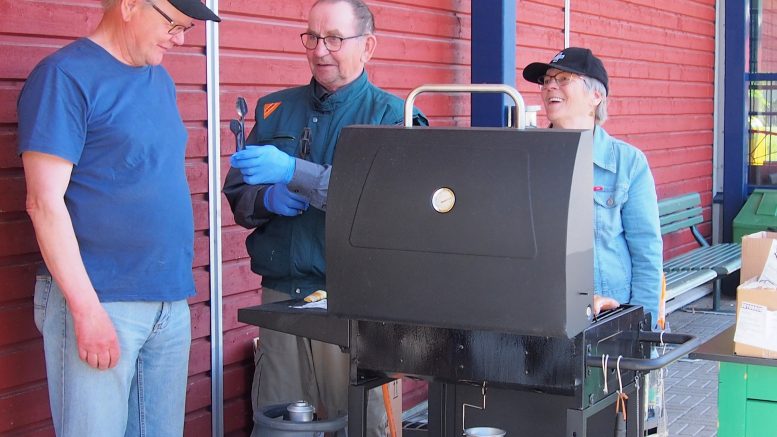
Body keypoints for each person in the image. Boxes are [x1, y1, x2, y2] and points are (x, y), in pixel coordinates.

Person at [223, 0, 426, 435]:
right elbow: (237, 195)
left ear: (368, 46)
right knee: (282, 428)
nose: (319, 49)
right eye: (312, 37)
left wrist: (295, 172)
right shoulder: (274, 110)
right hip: (282, 306)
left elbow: (389, 203)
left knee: (362, 427)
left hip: (357, 309)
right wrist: (266, 199)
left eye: (334, 38)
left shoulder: (394, 118)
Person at [17, 0, 220, 435]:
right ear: (129, 5)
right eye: (174, 23)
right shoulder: (64, 77)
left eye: (187, 28)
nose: (181, 38)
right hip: (101, 299)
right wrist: (86, 311)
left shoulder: (159, 80)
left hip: (167, 299)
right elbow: (43, 203)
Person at [522, 47, 664, 327]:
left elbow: (646, 251)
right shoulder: (526, 156)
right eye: (547, 80)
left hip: (609, 313)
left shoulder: (628, 163)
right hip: (542, 313)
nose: (550, 85)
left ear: (596, 97)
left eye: (563, 79)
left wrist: (641, 326)